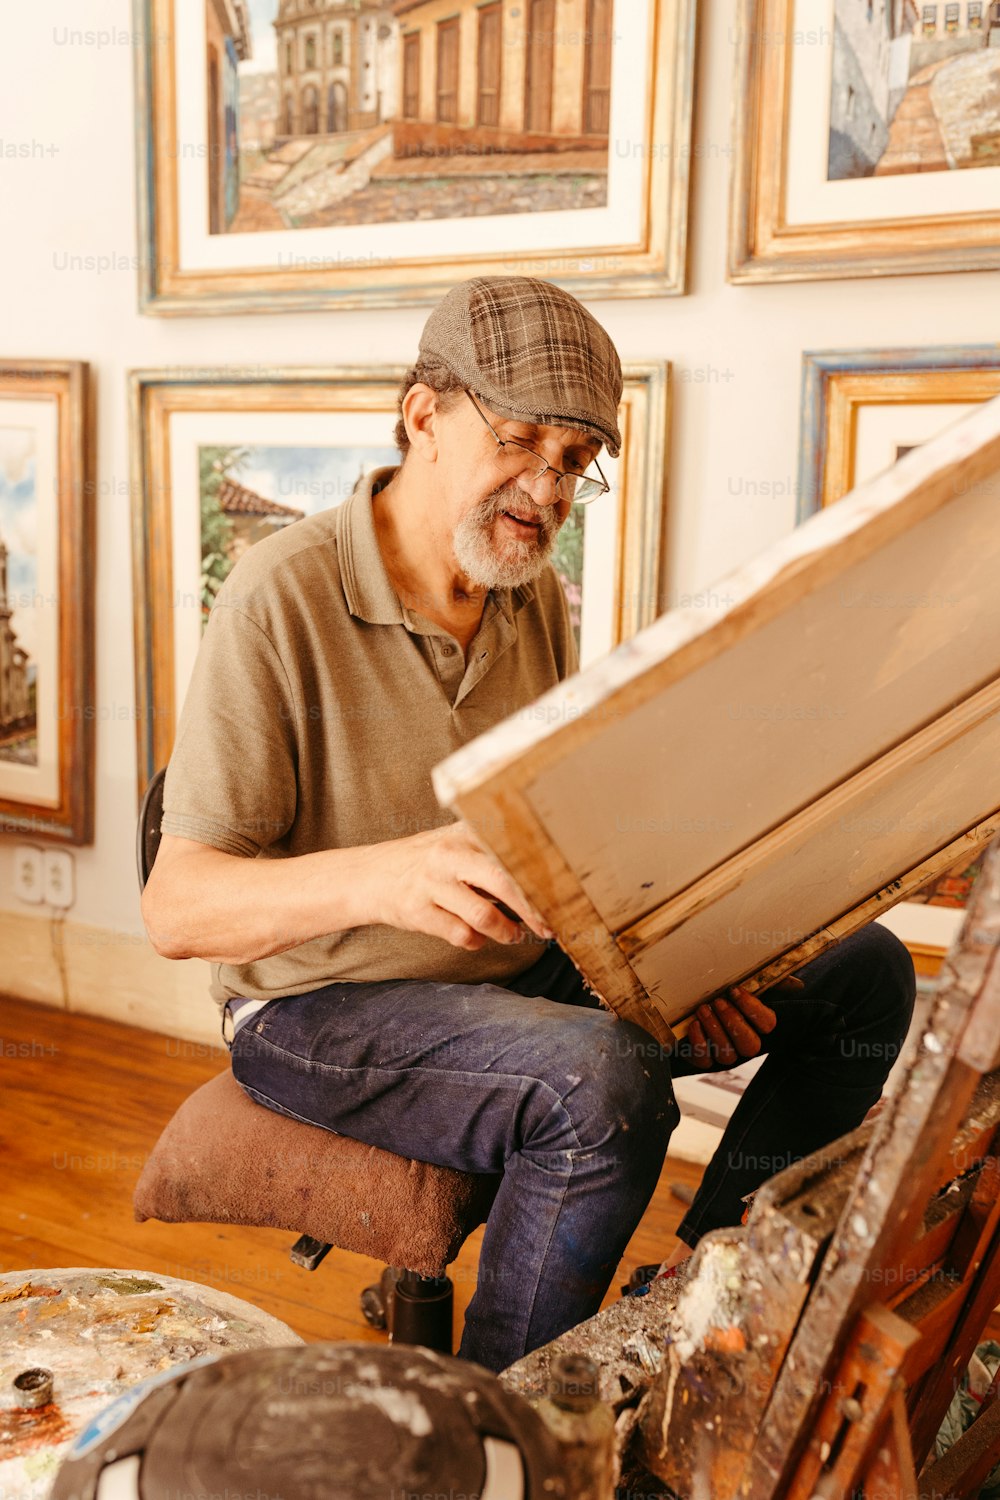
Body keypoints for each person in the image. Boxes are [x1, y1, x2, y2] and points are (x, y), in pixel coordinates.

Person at [141, 275, 915, 1374]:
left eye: (574, 460)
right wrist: (383, 878)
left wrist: (677, 954)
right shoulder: (280, 592)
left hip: (513, 973)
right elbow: (178, 908)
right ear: (423, 415)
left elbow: (564, 834)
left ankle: (689, 1299)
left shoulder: (527, 591)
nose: (548, 488)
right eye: (521, 442)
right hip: (316, 1009)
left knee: (861, 973)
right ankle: (507, 1424)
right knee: (597, 1079)